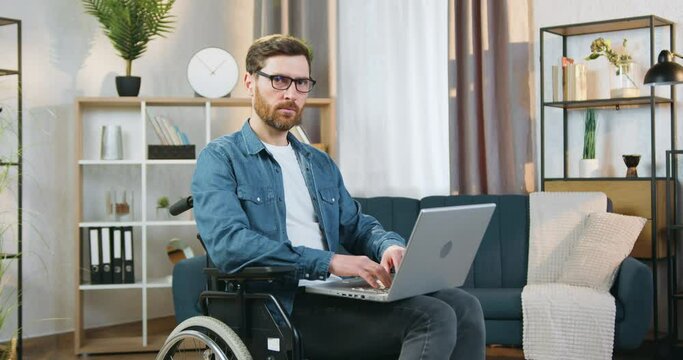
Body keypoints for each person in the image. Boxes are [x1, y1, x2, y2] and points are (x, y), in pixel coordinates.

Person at [192, 34, 485, 359]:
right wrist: (330, 261)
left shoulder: (318, 162)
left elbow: (357, 225)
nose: (291, 94)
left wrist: (389, 246)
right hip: (282, 304)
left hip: (334, 294)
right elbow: (229, 245)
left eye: (301, 83)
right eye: (278, 80)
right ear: (250, 82)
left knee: (464, 305)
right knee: (432, 317)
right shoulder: (221, 158)